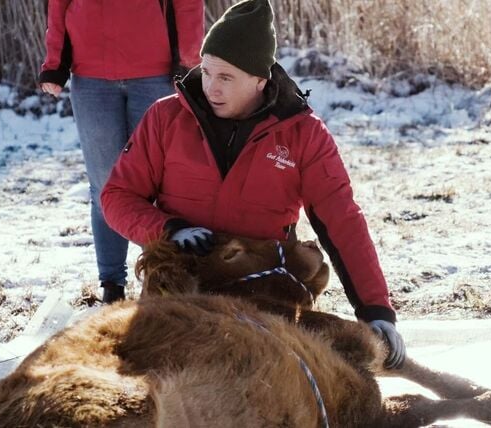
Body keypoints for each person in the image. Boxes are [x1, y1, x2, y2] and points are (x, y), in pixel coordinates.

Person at [101, 0, 406, 369]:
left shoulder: (304, 134)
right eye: (206, 72)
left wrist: (375, 309)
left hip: (265, 284)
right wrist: (168, 230)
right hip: (183, 279)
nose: (211, 87)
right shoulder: (165, 118)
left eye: (226, 78)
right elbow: (117, 196)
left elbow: (342, 220)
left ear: (261, 80)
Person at [39, 0, 204, 304]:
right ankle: (112, 285)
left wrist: (188, 61)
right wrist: (55, 63)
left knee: (160, 185)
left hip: (156, 76)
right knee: (105, 186)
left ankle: (161, 279)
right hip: (91, 79)